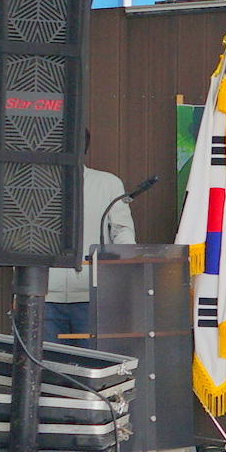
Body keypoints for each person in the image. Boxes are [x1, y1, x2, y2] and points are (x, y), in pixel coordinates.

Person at [46, 137, 138, 343]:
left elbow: (122, 231)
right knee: (45, 362)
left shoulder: (108, 183)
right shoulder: (36, 184)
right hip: (44, 296)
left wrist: (124, 267)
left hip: (93, 295)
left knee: (92, 360)